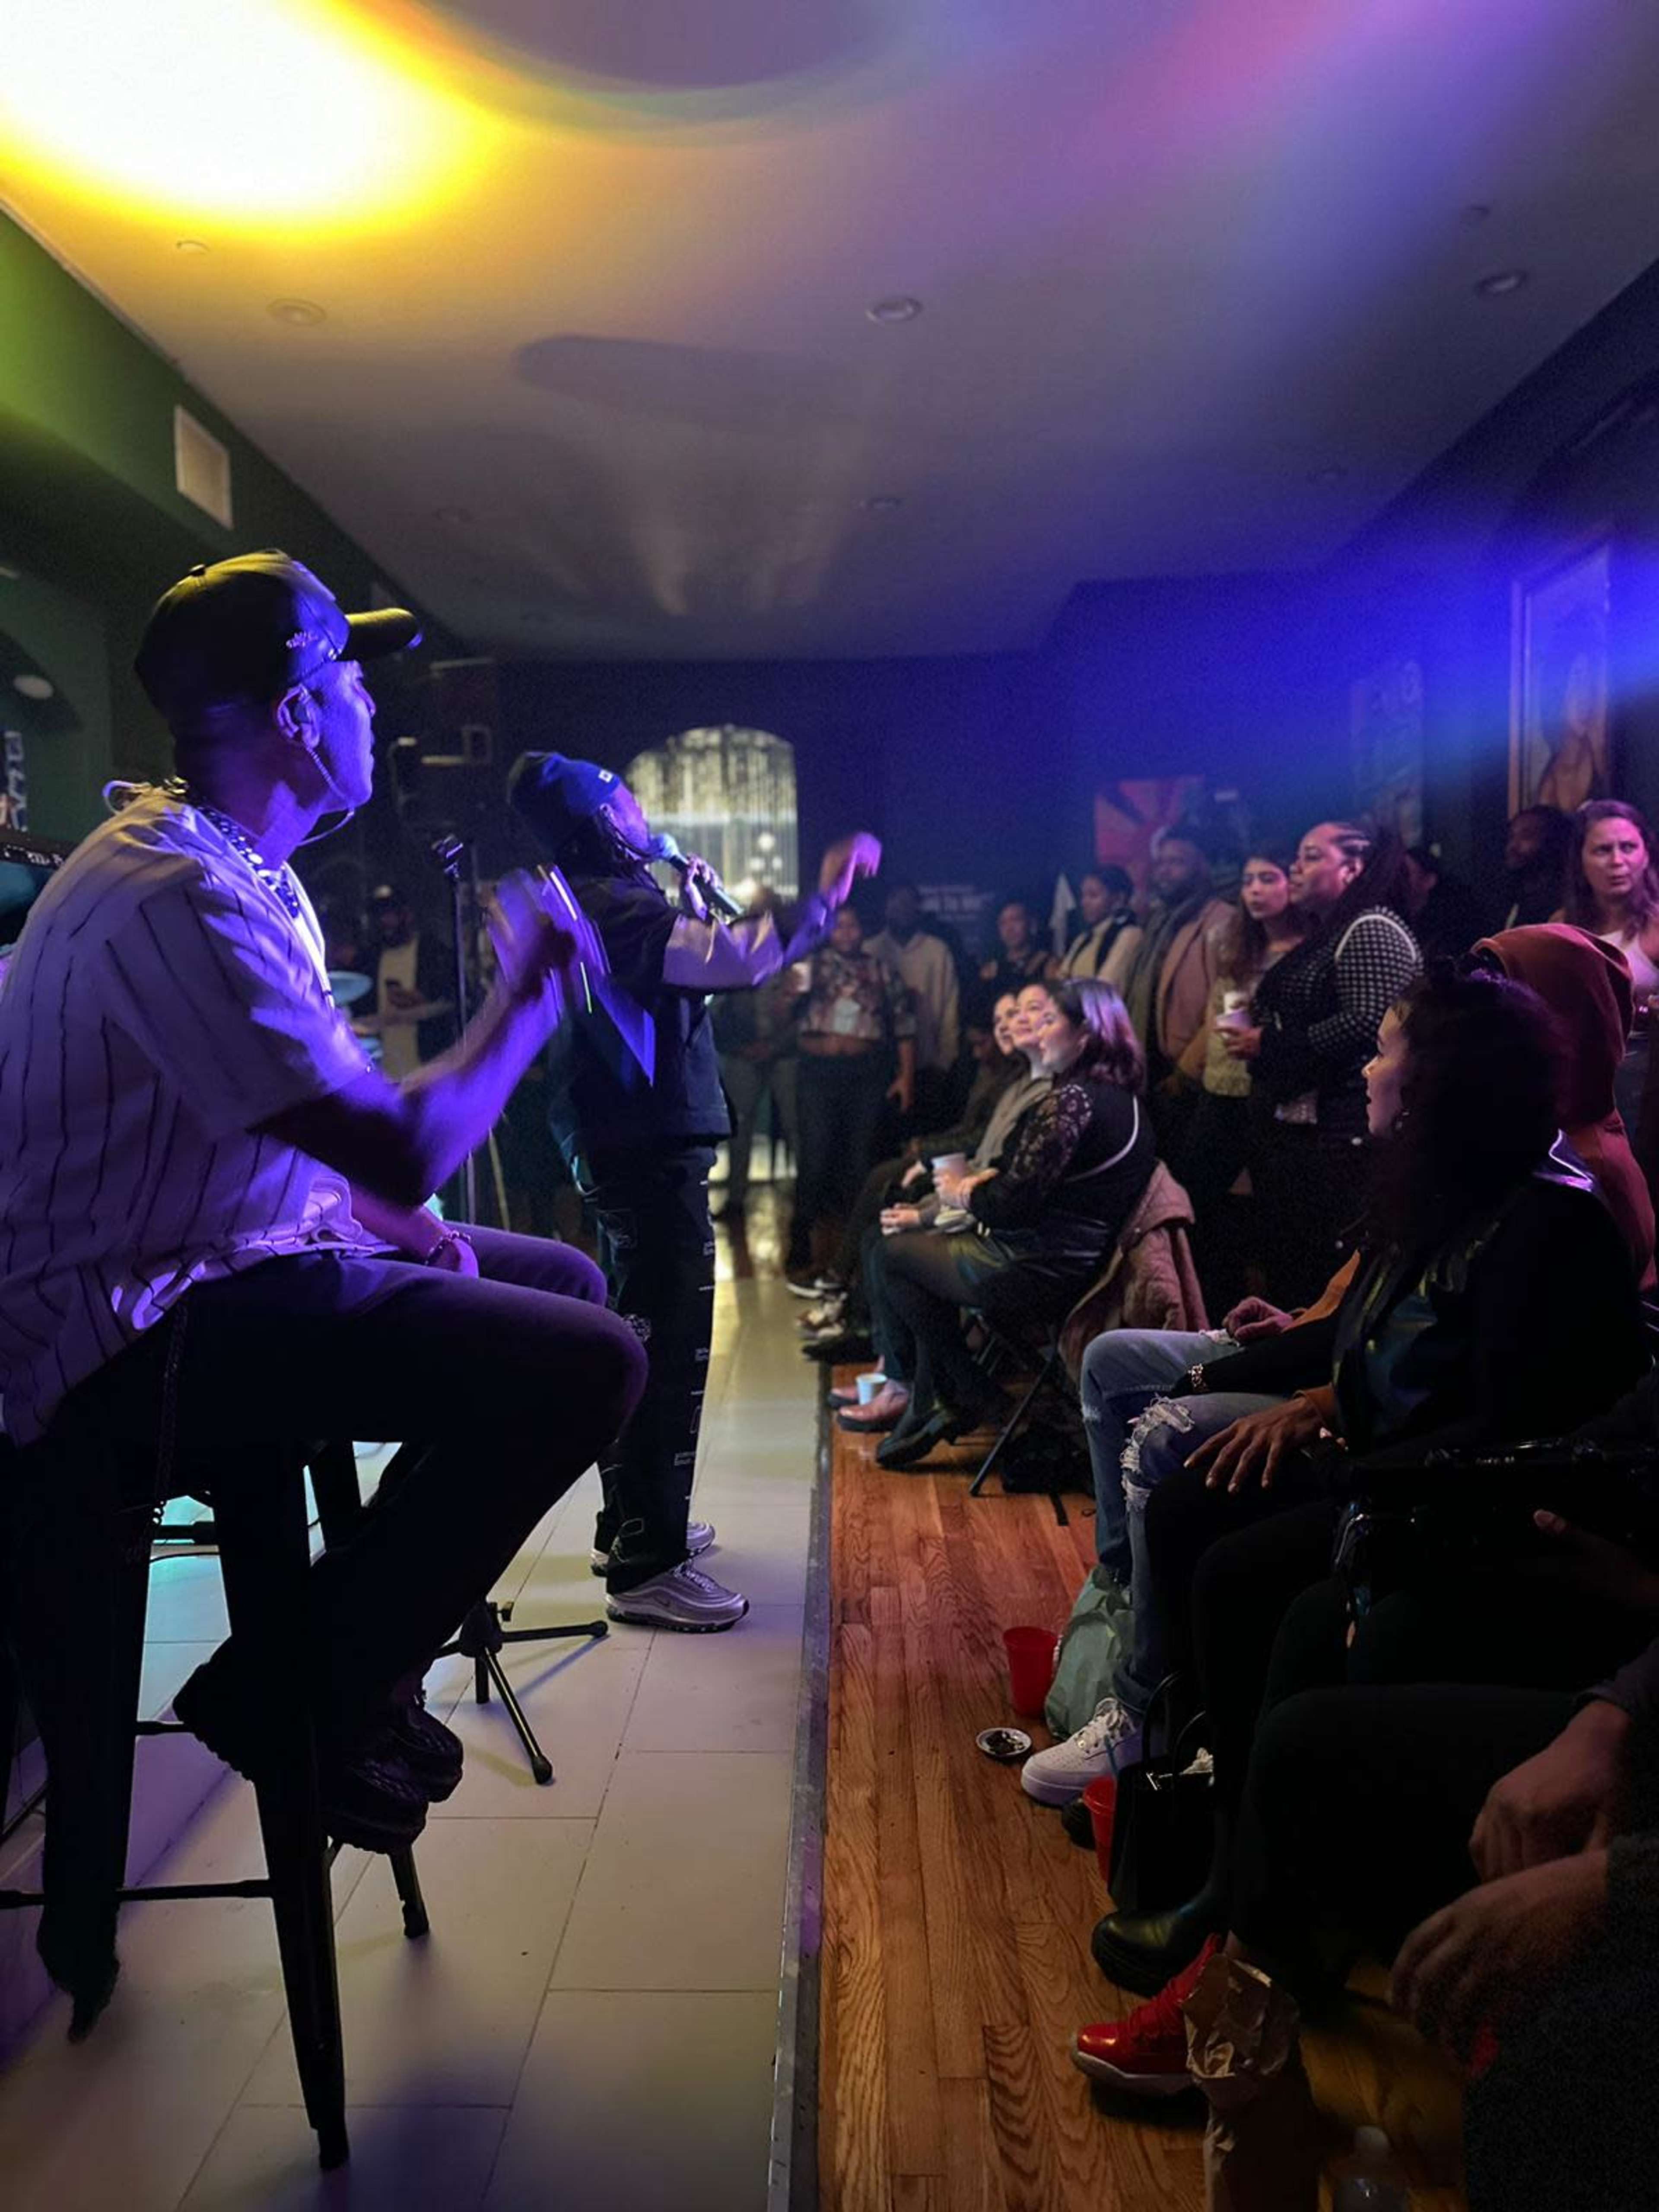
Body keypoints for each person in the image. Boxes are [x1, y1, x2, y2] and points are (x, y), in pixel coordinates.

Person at [0, 551, 648, 1860]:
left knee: (565, 1289)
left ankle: (349, 1671)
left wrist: (368, 1211)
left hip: (203, 1256)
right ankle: (291, 1689)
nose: (373, 707)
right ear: (296, 716)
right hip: (112, 1331)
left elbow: (284, 1124)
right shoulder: (176, 891)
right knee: (593, 1360)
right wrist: (523, 998)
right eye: (351, 679)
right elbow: (402, 1146)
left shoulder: (240, 867)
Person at [1085, 967, 1647, 1995]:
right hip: (1386, 1484)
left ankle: (1261, 1919)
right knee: (1195, 1520)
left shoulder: (1548, 1224)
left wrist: (1343, 1462)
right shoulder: (1441, 1198)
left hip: (1465, 1518)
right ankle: (1215, 1855)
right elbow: (1352, 1345)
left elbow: (1503, 1427)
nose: (1370, 1068)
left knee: (1248, 1572)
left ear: (1439, 1082)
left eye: (1387, 1050)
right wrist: (1282, 1400)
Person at [507, 750, 878, 1629]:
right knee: (664, 1350)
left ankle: (633, 1525)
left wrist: (685, 886)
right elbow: (737, 958)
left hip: (626, 1143)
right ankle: (647, 1564)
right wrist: (822, 896)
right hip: (643, 1147)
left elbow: (694, 962)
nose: (641, 811)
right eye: (625, 800)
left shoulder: (610, 896)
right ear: (600, 822)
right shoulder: (613, 905)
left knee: (645, 1333)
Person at [861, 979, 1156, 1469]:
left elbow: (1007, 1205)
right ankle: (949, 1393)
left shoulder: (1073, 1101)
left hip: (1035, 1265)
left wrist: (962, 1190)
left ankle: (969, 1393)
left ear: (1087, 1033)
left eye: (1047, 1022)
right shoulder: (1120, 1098)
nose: (1037, 1035)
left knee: (893, 1254)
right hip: (1076, 1260)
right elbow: (1028, 1183)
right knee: (911, 1251)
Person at [835, 984, 1052, 1421]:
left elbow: (998, 1178)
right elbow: (987, 1166)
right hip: (985, 1217)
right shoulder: (1018, 1083)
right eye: (1004, 1018)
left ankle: (921, 1382)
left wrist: (929, 1208)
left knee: (890, 1248)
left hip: (1011, 1243)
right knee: (886, 1232)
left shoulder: (1050, 1096)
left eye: (1035, 1012)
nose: (1014, 1023)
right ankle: (912, 1375)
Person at [1236, 820, 1419, 1306]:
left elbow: (1369, 1022)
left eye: (1311, 856)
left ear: (1354, 867)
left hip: (1346, 1130)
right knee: (1297, 1264)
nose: (1295, 867)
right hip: (1312, 1132)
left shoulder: (1371, 927)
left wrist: (1270, 1045)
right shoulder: (1336, 928)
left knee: (1324, 1268)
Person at [1166, 851, 1305, 1303]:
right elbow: (1219, 1012)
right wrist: (1190, 1071)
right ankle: (1215, 1310)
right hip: (1222, 1086)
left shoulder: (1311, 946)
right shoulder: (1238, 942)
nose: (1256, 890)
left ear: (1292, 883)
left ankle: (1280, 1317)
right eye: (1248, 880)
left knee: (1275, 1211)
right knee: (1195, 1199)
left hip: (1272, 1089)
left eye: (1268, 878)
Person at [788, 903, 917, 1285]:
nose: (845, 932)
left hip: (865, 1074)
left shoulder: (880, 969)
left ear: (862, 929)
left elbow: (905, 1025)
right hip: (817, 1073)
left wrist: (906, 1077)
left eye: (852, 925)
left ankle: (854, 1254)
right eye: (838, 926)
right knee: (814, 1159)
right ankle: (800, 1243)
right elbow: (783, 1014)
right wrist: (792, 992)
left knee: (860, 1161)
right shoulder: (810, 964)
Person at [1560, 799, 1659, 1137]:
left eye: (1628, 847)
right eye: (1603, 850)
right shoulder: (1562, 925)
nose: (1618, 861)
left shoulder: (1657, 926)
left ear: (1646, 854)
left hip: (1647, 1084)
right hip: (1579, 1084)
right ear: (1581, 861)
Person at [710, 891, 799, 1222]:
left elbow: (806, 1008)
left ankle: (804, 1200)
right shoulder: (736, 949)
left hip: (783, 1051)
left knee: (794, 1127)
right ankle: (736, 1200)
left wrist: (774, 1046)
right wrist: (737, 1045)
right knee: (741, 1130)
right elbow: (718, 1008)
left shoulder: (791, 950)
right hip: (745, 1053)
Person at [1120, 826, 1232, 1084]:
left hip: (1191, 1072)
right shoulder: (1157, 922)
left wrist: (1186, 1071)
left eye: (1176, 862)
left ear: (1201, 867)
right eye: (1160, 863)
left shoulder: (1220, 920)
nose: (1164, 871)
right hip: (1149, 1064)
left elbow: (1224, 1006)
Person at [864, 881, 961, 1131]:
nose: (902, 909)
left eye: (908, 903)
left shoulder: (938, 951)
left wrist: (944, 1060)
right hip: (878, 1069)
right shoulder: (870, 950)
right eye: (896, 902)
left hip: (928, 1066)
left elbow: (950, 1008)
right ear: (886, 907)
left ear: (919, 908)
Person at [361, 881, 454, 1079]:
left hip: (426, 1071)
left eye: (391, 913)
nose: (385, 921)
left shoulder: (432, 952)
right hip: (384, 1076)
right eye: (380, 914)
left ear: (407, 915)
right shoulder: (371, 958)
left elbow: (450, 999)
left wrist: (421, 1001)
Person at [1057, 867, 1142, 990]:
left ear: (1118, 899)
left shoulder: (1130, 935)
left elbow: (1106, 986)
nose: (1084, 903)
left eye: (1093, 896)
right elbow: (1061, 979)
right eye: (1084, 896)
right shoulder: (1083, 939)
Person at [975, 895, 1055, 1017]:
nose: (1009, 929)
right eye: (1003, 923)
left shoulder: (1049, 965)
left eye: (1016, 920)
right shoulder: (991, 971)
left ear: (1031, 924)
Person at [1402, 843, 1483, 961]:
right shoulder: (1396, 919)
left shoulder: (1448, 928)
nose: (1398, 880)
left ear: (1429, 880)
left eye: (1405, 874)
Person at [1500, 803, 1573, 929]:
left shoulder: (1565, 902)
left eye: (1526, 837)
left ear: (1551, 843)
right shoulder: (1510, 894)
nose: (1513, 847)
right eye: (1512, 837)